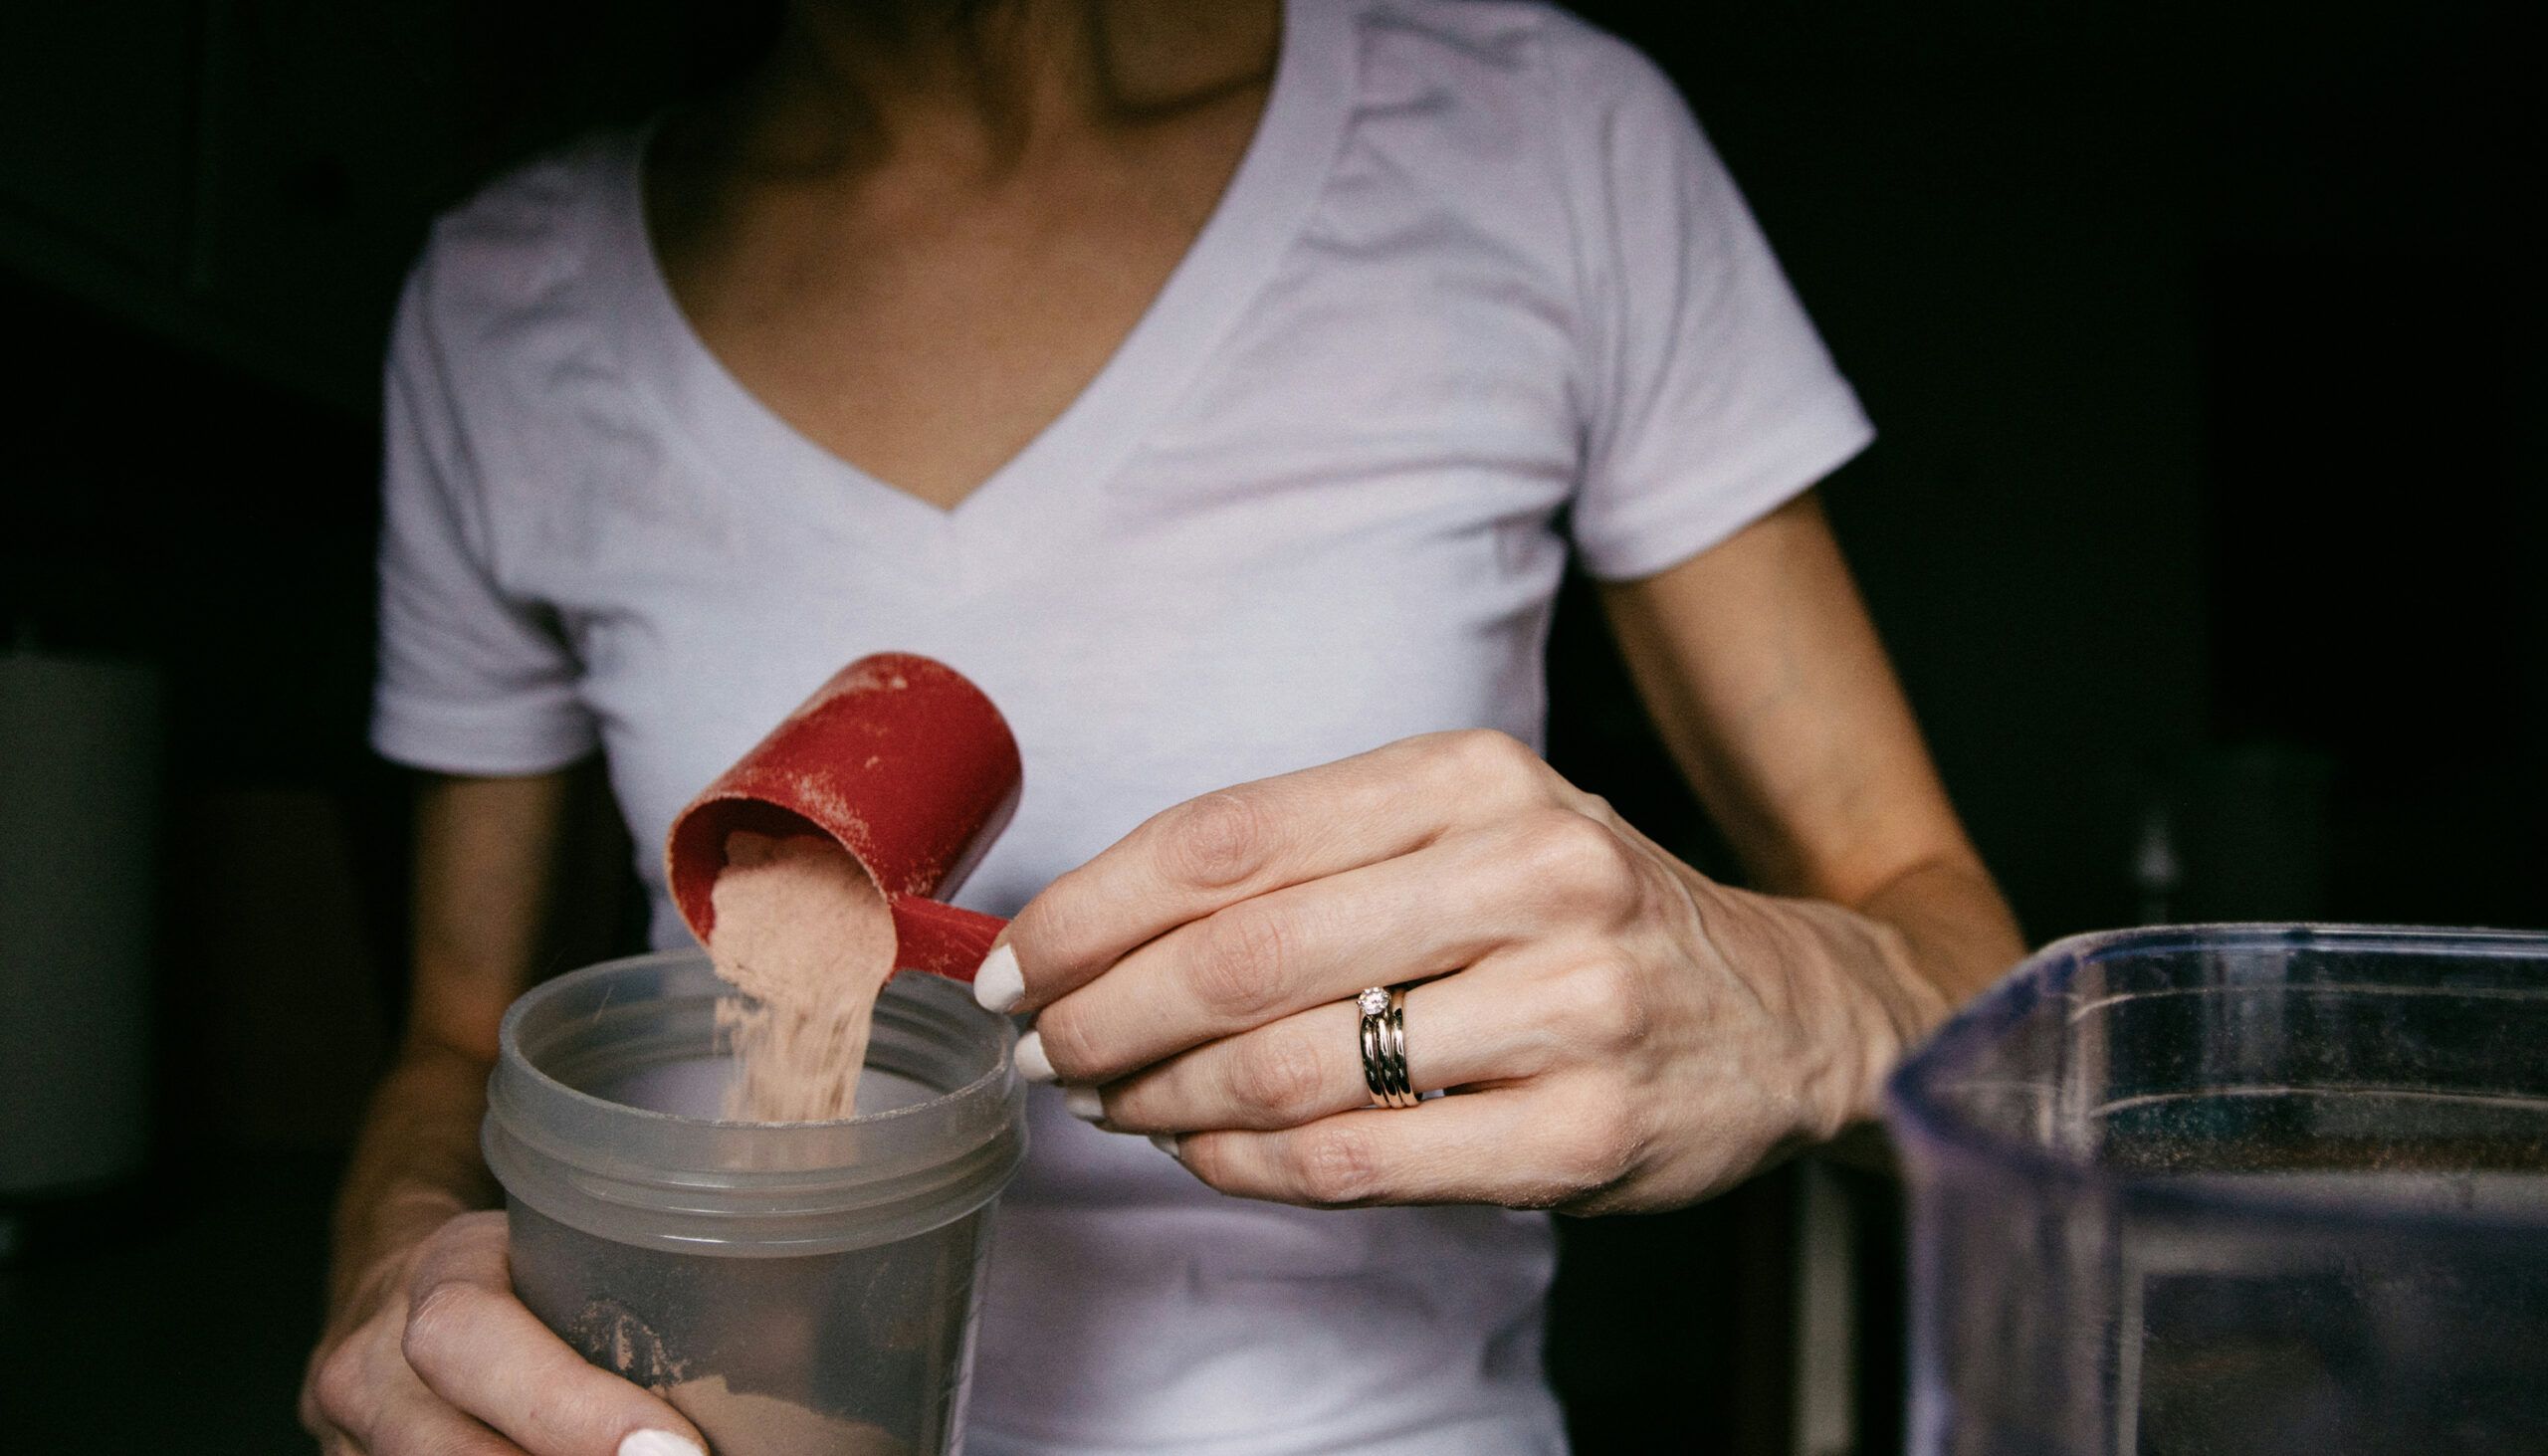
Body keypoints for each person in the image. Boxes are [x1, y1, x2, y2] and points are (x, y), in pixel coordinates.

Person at [301, 0, 2025, 1451]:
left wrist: (1803, 1005)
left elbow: (1950, 945)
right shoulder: (503, 307)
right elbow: (459, 1039)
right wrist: (394, 1270)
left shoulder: (1541, 142)